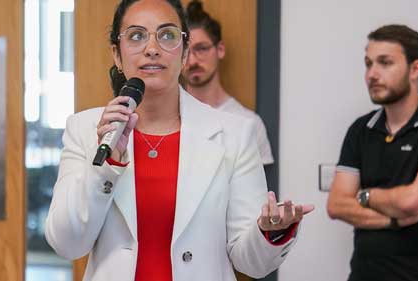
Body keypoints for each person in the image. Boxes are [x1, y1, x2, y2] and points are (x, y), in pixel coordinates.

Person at [44, 1, 313, 280]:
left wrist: (270, 232)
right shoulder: (85, 129)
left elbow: (251, 263)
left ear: (184, 53)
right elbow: (67, 244)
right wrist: (104, 164)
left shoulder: (235, 134)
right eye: (136, 36)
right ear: (117, 53)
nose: (152, 48)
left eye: (167, 35)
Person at [325, 24, 418, 281]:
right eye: (368, 64)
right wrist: (394, 221)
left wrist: (364, 195)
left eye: (385, 63)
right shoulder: (360, 129)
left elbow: (414, 202)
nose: (371, 75)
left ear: (415, 68)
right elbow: (336, 205)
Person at [180, 0, 274, 165]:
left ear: (220, 50)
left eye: (201, 48)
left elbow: (258, 189)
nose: (192, 60)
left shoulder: (248, 123)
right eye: (185, 51)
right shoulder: (167, 119)